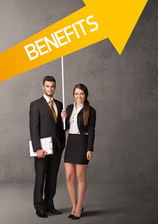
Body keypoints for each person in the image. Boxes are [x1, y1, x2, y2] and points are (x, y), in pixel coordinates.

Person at [29, 76, 66, 218]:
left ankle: (49, 205)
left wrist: (64, 119)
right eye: (47, 86)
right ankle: (39, 206)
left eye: (52, 86)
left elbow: (64, 127)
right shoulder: (36, 105)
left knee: (52, 178)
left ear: (55, 87)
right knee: (40, 177)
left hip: (56, 148)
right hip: (42, 149)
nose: (50, 89)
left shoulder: (60, 104)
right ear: (43, 87)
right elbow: (33, 128)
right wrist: (37, 148)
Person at [61, 84, 96, 220]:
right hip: (71, 142)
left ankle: (79, 206)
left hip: (82, 143)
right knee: (69, 177)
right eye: (76, 94)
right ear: (73, 94)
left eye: (81, 94)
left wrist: (90, 148)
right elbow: (65, 128)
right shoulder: (69, 107)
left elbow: (92, 131)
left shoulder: (90, 110)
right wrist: (63, 118)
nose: (79, 96)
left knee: (80, 178)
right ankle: (75, 205)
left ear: (85, 95)